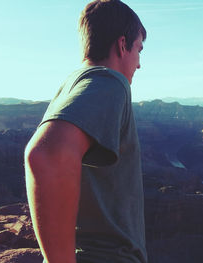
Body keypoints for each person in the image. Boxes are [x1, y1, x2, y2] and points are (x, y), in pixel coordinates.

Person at [24, 1, 147, 262]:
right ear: (122, 45)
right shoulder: (109, 82)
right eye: (139, 49)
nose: (139, 64)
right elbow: (46, 154)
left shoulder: (74, 83)